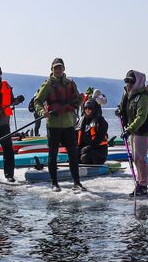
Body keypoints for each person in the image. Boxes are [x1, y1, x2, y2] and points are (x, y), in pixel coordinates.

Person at [34, 57, 84, 191]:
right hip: (53, 125)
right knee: (53, 155)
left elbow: (77, 99)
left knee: (73, 155)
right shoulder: (47, 85)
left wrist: (80, 100)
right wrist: (41, 112)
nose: (58, 70)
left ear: (63, 69)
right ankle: (54, 183)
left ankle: (77, 182)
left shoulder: (71, 84)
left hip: (68, 124)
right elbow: (37, 101)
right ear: (52, 69)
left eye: (60, 67)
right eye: (55, 67)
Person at [117, 70, 148, 198]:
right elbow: (128, 111)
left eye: (131, 81)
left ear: (138, 82)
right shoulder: (131, 96)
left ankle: (143, 185)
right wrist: (120, 112)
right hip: (135, 131)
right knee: (136, 158)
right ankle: (140, 184)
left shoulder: (143, 97)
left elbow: (141, 117)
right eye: (127, 81)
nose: (128, 84)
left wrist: (129, 130)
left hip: (143, 131)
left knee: (141, 159)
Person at [78, 99, 110, 164]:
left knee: (84, 158)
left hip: (99, 151)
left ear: (94, 109)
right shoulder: (82, 120)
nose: (87, 110)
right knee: (74, 156)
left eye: (89, 108)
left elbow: (99, 139)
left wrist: (88, 148)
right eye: (86, 108)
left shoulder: (100, 121)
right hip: (86, 148)